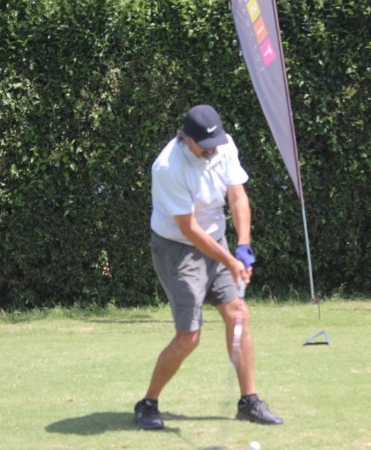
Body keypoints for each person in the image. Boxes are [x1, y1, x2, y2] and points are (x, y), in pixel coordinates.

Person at [134, 104, 283, 429]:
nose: (212, 150)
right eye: (205, 146)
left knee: (238, 314)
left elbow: (237, 196)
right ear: (186, 138)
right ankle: (147, 404)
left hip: (216, 241)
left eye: (215, 143)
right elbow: (189, 229)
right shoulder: (168, 167)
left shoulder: (223, 145)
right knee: (189, 336)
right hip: (178, 250)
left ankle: (249, 402)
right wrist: (230, 261)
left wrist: (243, 245)